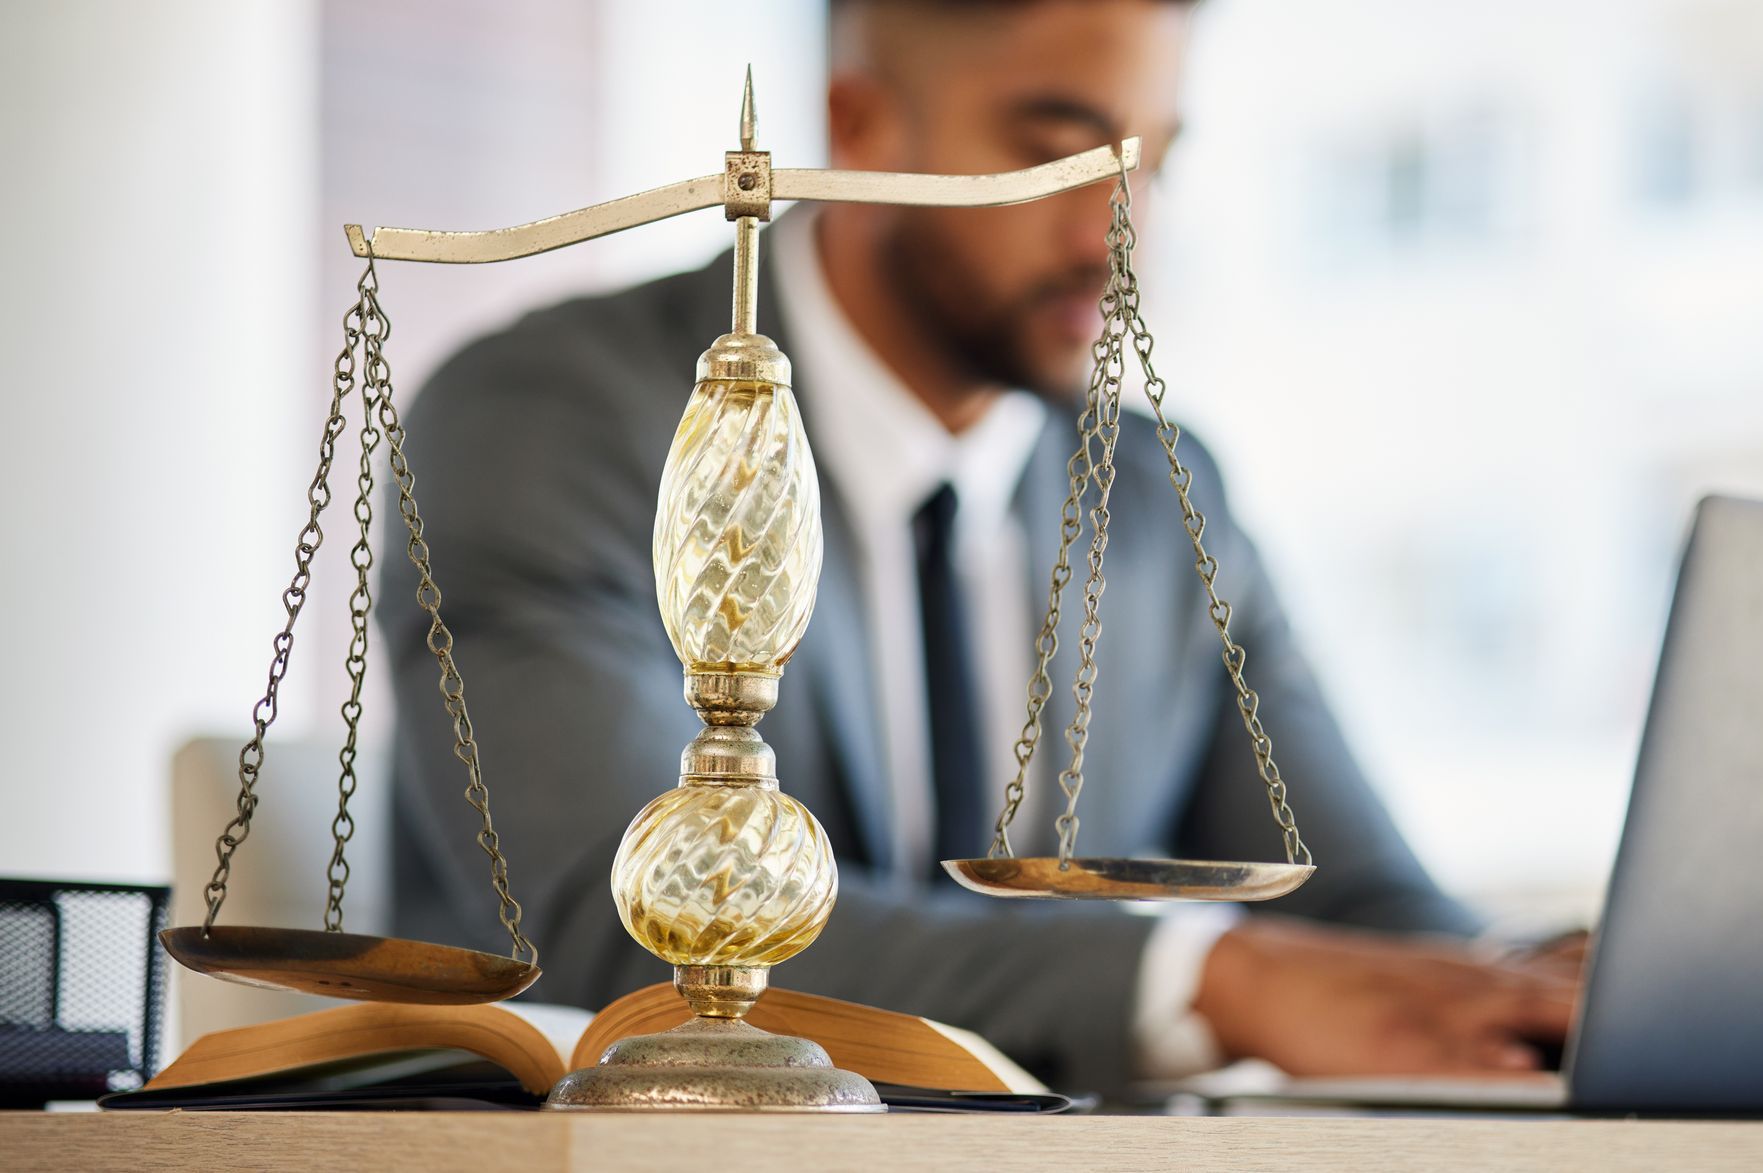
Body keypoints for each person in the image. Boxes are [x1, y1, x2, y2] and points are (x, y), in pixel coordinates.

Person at [378, 0, 1577, 1095]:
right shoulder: (552, 421)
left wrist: (1544, 982)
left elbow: (1365, 910)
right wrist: (1210, 979)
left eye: (1153, 164)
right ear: (857, 122)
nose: (1118, 236)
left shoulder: (1161, 496)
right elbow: (629, 928)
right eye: (1057, 153)